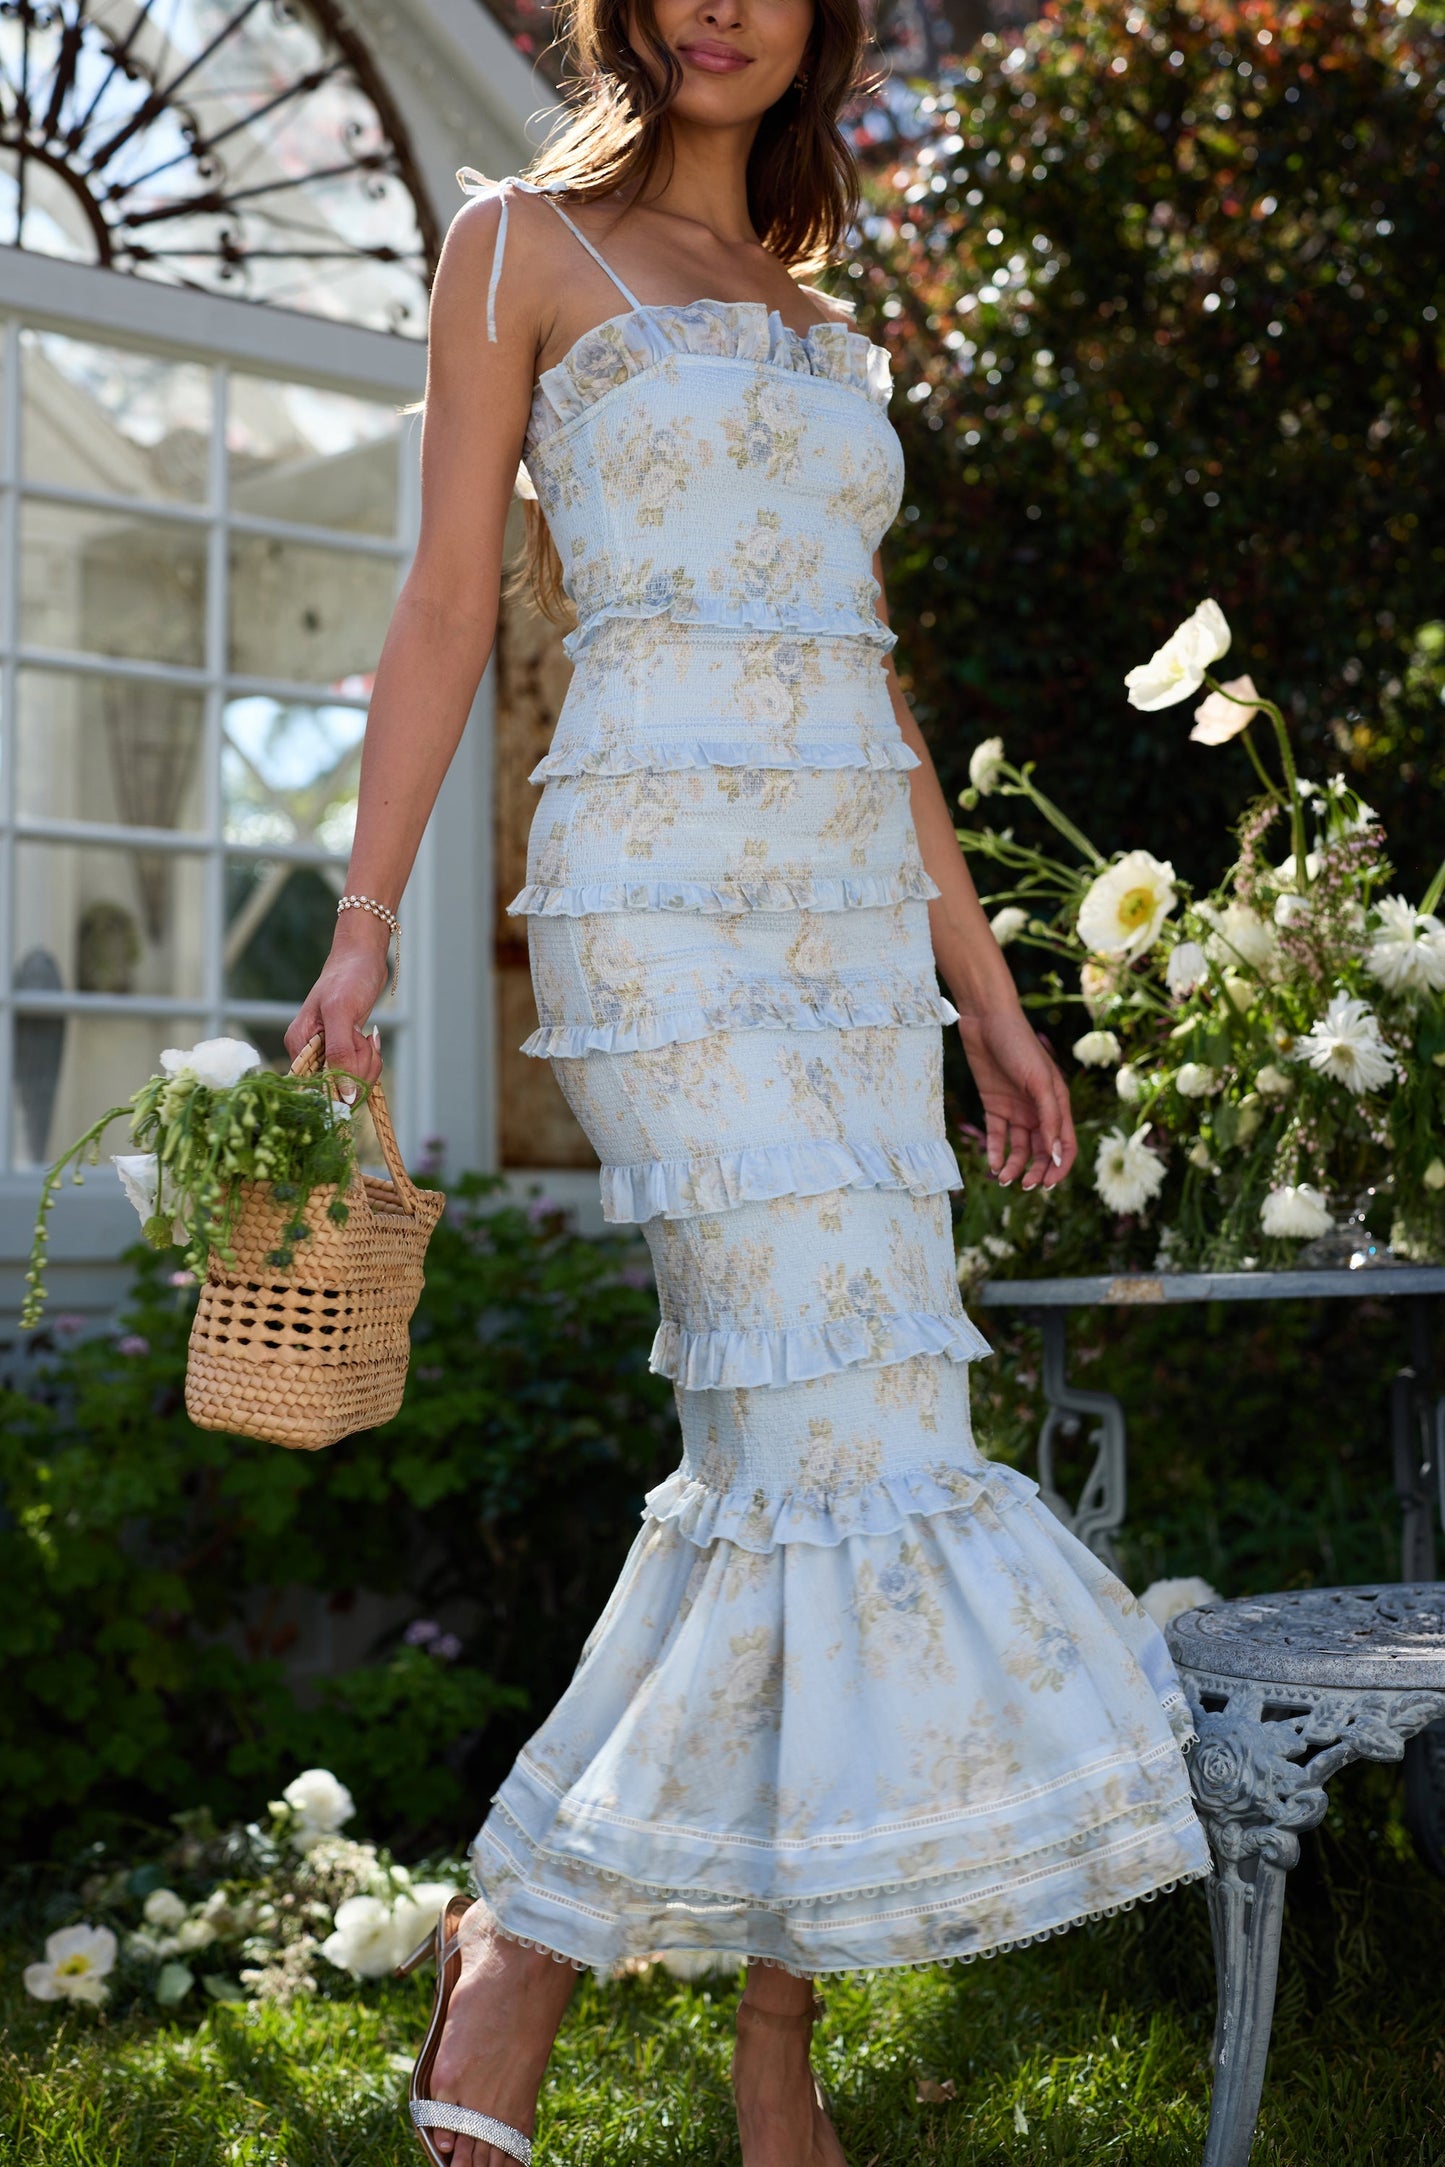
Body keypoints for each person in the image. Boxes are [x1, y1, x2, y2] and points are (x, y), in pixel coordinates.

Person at [285, 0, 1211, 2157]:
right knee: (808, 1425)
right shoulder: (516, 242)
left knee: (829, 1422)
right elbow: (442, 604)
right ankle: (516, 1955)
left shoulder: (819, 320)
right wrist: (358, 924)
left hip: (845, 943)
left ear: (817, 23)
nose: (720, 5)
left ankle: (767, 2037)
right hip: (663, 905)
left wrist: (980, 986)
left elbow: (862, 678)